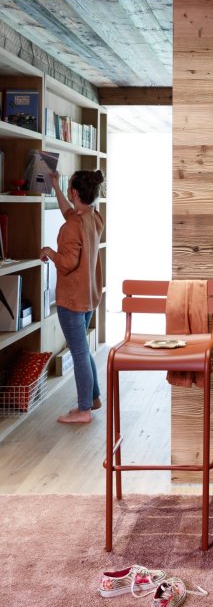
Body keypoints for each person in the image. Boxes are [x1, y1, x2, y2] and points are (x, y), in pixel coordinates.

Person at [40, 169, 105, 424]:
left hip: (72, 300)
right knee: (83, 350)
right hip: (88, 297)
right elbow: (70, 212)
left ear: (74, 192)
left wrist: (49, 252)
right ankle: (94, 397)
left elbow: (67, 263)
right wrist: (56, 186)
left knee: (78, 354)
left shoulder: (72, 226)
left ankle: (83, 410)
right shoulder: (94, 218)